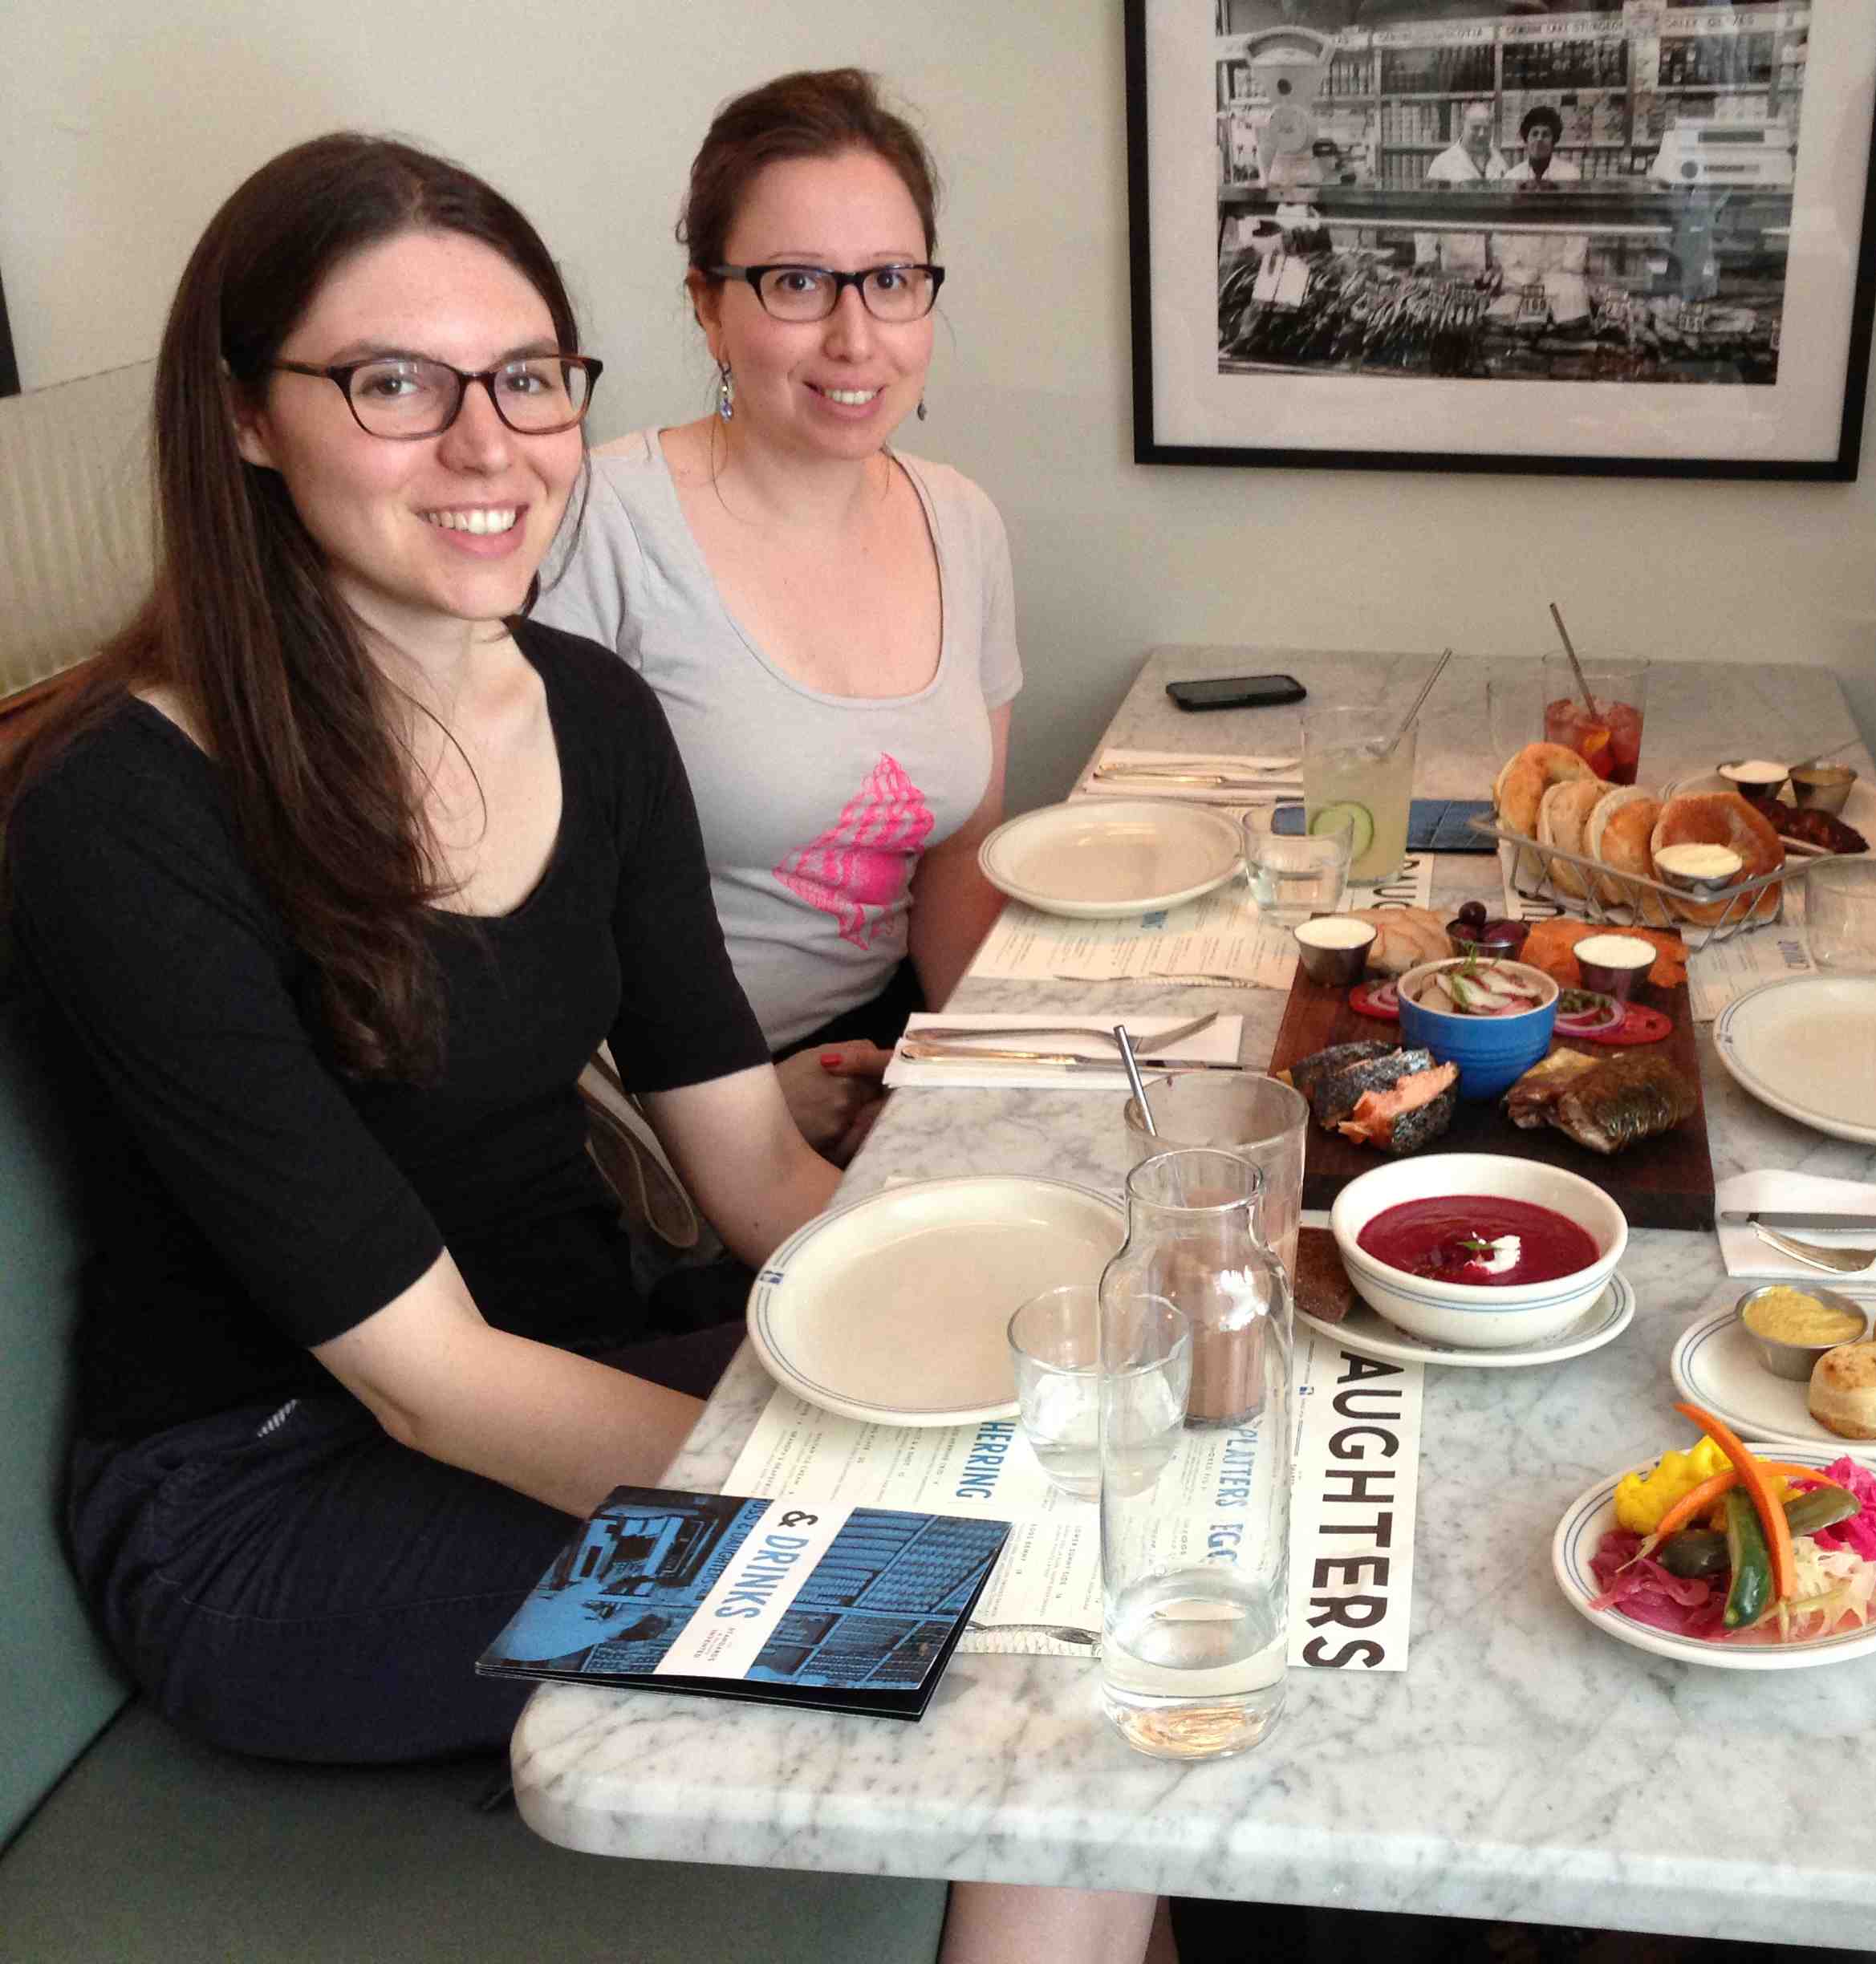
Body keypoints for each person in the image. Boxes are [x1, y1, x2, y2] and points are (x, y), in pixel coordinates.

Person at [1, 132, 1164, 1964]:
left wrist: (1052, 1309)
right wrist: (891, 1508)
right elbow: (429, 1382)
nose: (490, 446)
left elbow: (755, 1174)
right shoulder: (120, 810)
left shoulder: (594, 713)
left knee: (1133, 1502)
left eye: (529, 377)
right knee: (1020, 1630)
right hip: (275, 1507)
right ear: (243, 417)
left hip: (575, 1373)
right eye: (396, 383)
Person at [534, 70, 1017, 1167]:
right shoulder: (598, 523)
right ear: (708, 305)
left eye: (890, 280)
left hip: (885, 1063)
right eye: (798, 282)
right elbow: (530, 934)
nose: (855, 337)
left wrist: (973, 1079)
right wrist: (736, 1109)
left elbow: (958, 861)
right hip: (654, 1105)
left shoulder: (963, 522)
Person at [1496, 106, 1588, 308]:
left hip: (1560, 274)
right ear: (1526, 139)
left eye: (1546, 134)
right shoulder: (1512, 177)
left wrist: (1569, 269)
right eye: (1534, 134)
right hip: (1519, 275)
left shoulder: (1570, 175)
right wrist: (1514, 268)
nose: (1539, 139)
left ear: (1554, 140)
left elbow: (1578, 228)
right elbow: (1501, 231)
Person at [1417, 101, 1501, 274]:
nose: (1482, 134)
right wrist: (1426, 258)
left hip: (1494, 259)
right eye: (1475, 128)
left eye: (1486, 129)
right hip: (1459, 259)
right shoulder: (1443, 163)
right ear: (1463, 126)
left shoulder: (1499, 160)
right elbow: (1425, 212)